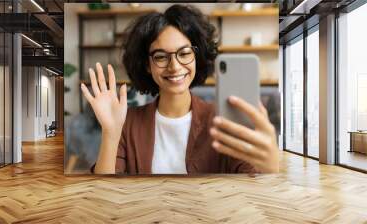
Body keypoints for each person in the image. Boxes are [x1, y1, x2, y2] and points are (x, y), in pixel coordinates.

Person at [81, 4, 279, 174]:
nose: (174, 66)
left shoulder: (222, 120)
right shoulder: (128, 122)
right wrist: (110, 132)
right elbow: (104, 193)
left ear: (197, 57)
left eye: (184, 53)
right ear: (147, 65)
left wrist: (269, 164)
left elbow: (252, 182)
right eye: (160, 56)